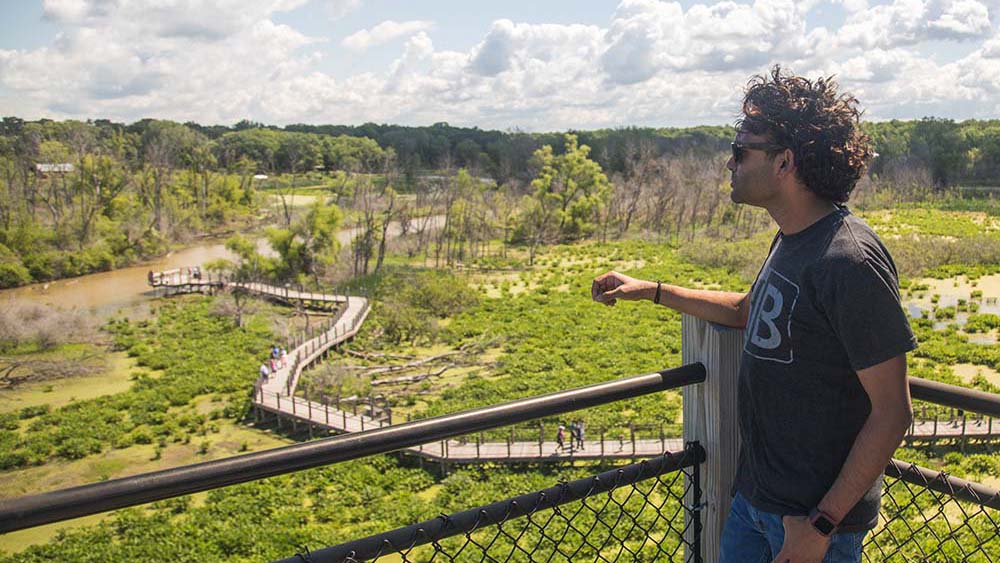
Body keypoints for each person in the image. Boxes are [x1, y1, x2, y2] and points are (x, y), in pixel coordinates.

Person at [591, 66, 916, 563]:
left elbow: (893, 413)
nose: (729, 163)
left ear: (784, 162)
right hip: (754, 504)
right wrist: (654, 291)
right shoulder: (794, 238)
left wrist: (821, 525)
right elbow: (751, 311)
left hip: (812, 525)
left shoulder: (849, 260)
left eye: (741, 150)